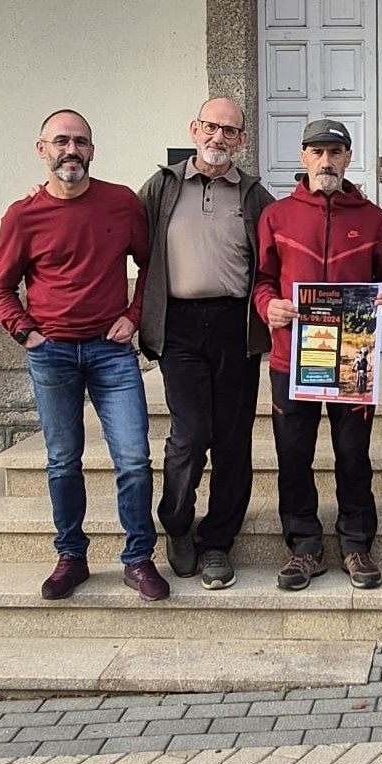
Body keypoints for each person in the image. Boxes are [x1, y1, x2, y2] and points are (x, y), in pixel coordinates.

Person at [0, 109, 169, 602]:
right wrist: (24, 332)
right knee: (62, 460)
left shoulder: (121, 203)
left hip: (112, 352)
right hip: (52, 354)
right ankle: (71, 555)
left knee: (133, 458)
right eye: (62, 141)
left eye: (81, 141)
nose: (72, 150)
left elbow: (150, 263)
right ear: (41, 148)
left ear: (92, 149)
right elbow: (0, 286)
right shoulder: (22, 215)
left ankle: (138, 559)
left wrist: (133, 315)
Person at [254, 119, 382, 591]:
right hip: (292, 359)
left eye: (335, 152)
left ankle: (357, 544)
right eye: (317, 151)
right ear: (302, 157)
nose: (326, 161)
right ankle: (304, 547)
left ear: (348, 157)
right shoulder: (276, 216)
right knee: (293, 453)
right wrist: (268, 306)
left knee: (353, 453)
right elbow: (260, 280)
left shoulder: (373, 218)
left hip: (353, 360)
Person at [138, 98, 274, 590]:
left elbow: (286, 244)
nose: (220, 138)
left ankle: (217, 541)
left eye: (231, 131)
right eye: (212, 128)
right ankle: (176, 523)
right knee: (192, 433)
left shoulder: (255, 195)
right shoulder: (162, 186)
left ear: (241, 140)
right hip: (180, 326)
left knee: (235, 439)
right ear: (195, 128)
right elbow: (118, 235)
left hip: (236, 326)